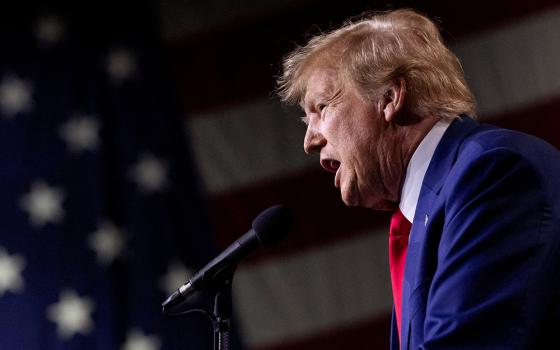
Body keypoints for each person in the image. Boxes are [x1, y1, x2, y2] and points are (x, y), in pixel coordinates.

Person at [277, 8, 560, 350]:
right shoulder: (425, 209)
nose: (309, 141)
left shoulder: (490, 172)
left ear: (389, 98)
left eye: (322, 108)